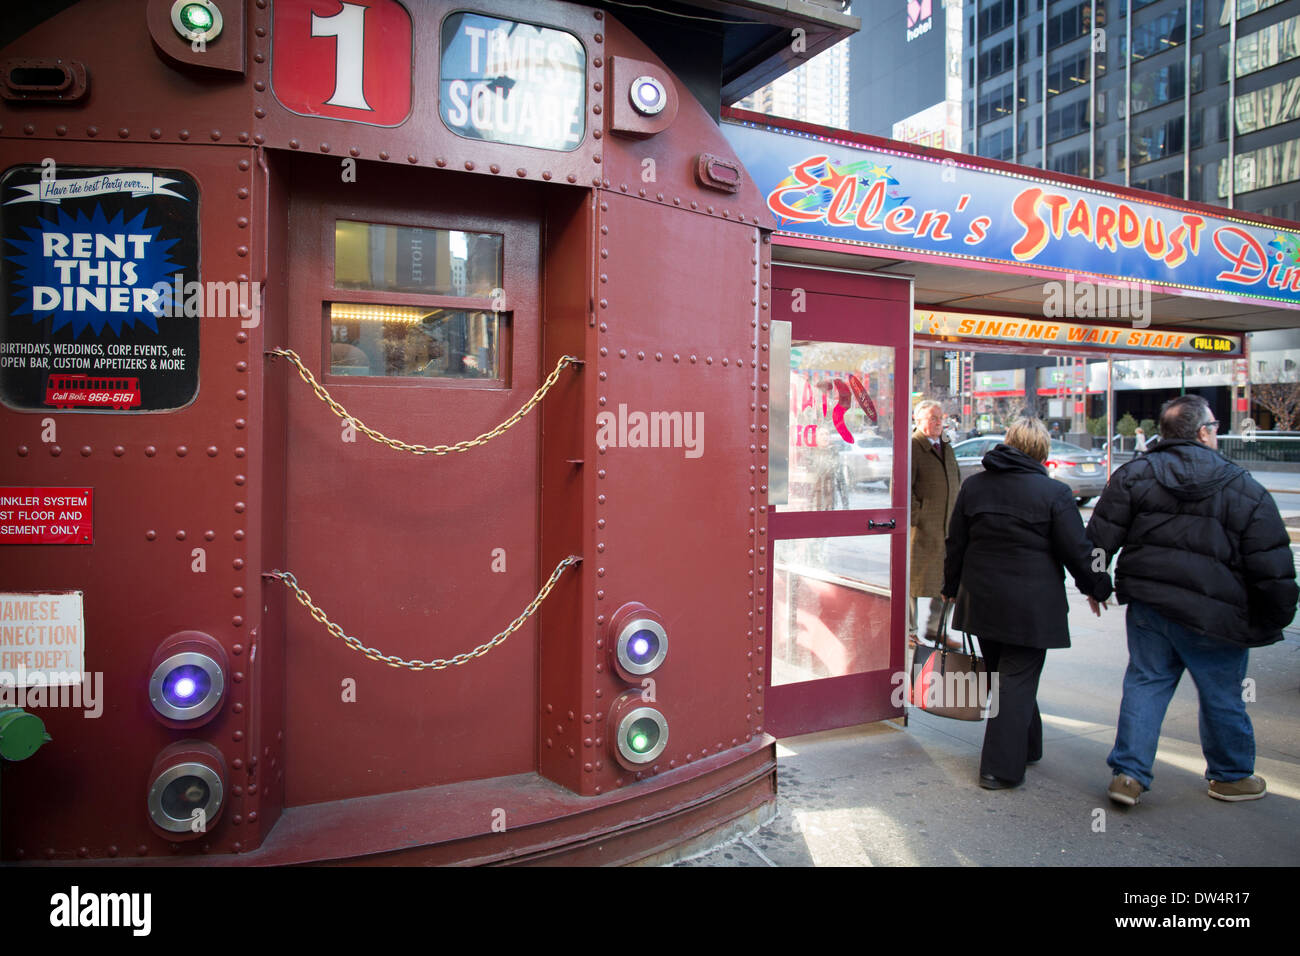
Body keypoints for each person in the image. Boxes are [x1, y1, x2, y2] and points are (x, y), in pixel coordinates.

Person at [1087, 395, 1298, 805]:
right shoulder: (1242, 485)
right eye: (1215, 426)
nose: (1215, 432)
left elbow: (1097, 540)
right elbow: (1270, 564)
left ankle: (1128, 775)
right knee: (1221, 693)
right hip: (1217, 615)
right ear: (1203, 432)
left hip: (1150, 608)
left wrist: (1097, 585)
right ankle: (1231, 776)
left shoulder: (1134, 475)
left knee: (1146, 684)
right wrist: (1275, 616)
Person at [942, 418, 1113, 790]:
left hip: (982, 603)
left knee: (1010, 677)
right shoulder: (1053, 493)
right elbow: (1079, 552)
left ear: (1008, 443)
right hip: (1030, 609)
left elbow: (956, 542)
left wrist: (950, 587)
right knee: (1015, 680)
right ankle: (998, 769)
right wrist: (1098, 587)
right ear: (1042, 451)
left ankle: (1028, 746)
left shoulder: (975, 487)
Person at [910, 400, 961, 647]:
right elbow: (903, 488)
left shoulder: (946, 446)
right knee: (912, 580)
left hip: (947, 526)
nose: (938, 422)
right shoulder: (913, 446)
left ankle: (935, 628)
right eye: (932, 418)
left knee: (947, 579)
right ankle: (908, 630)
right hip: (920, 529)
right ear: (918, 421)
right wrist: (916, 517)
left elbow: (955, 480)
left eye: (940, 417)